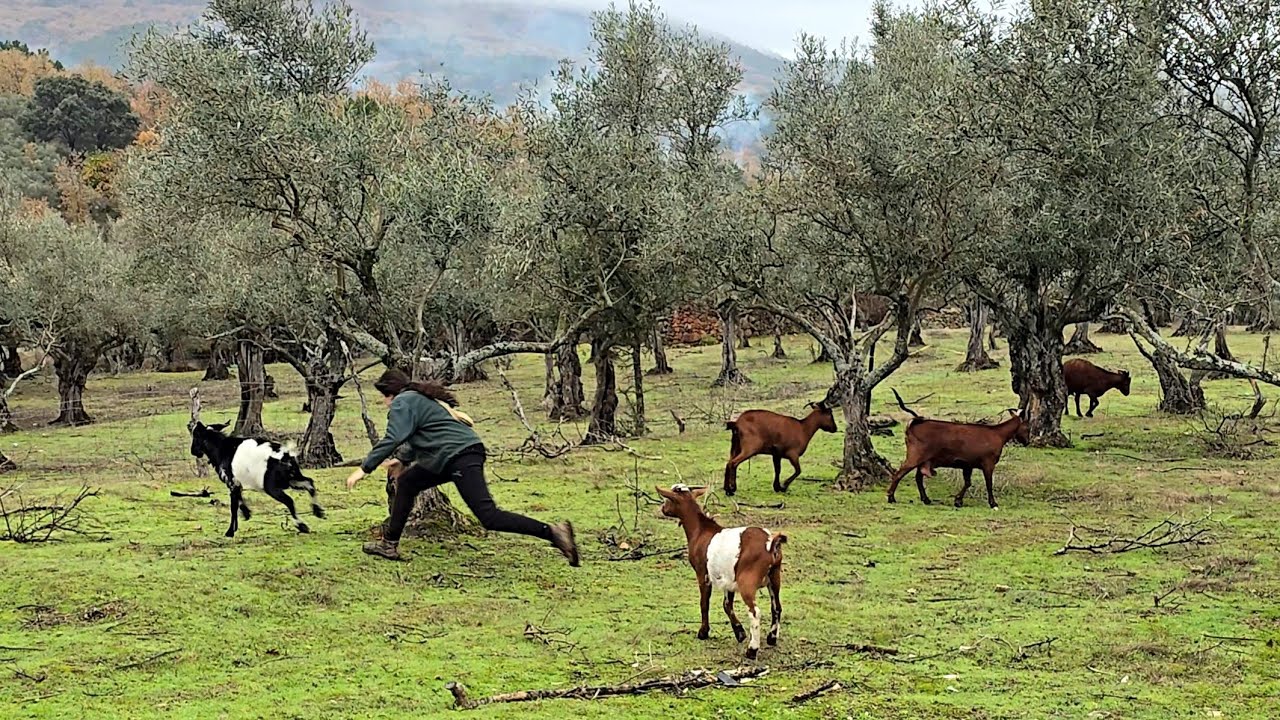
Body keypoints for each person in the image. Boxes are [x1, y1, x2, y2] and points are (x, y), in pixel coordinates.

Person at [346, 368, 580, 565]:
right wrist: (403, 460)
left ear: (391, 393)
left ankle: (553, 532)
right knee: (408, 481)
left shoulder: (403, 401)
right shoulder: (419, 399)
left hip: (460, 456)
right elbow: (426, 433)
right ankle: (389, 545)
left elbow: (394, 437)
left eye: (384, 398)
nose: (385, 404)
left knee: (489, 516)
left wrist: (364, 469)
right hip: (453, 454)